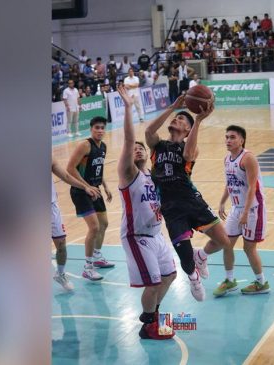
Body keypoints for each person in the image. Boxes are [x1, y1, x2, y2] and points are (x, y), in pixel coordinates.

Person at [144, 95, 231, 302]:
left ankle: (201, 256)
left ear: (187, 130)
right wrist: (172, 107)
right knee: (184, 257)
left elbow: (189, 155)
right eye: (177, 118)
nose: (177, 120)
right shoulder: (157, 145)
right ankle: (194, 278)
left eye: (182, 120)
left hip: (192, 200)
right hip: (170, 207)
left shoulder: (188, 146)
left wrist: (198, 121)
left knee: (223, 241)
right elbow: (149, 131)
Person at [115, 85, 177, 339]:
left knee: (170, 275)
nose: (138, 148)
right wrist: (129, 107)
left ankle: (152, 316)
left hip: (157, 234)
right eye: (135, 148)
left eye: (142, 148)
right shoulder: (128, 174)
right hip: (136, 235)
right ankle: (148, 326)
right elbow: (130, 139)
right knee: (152, 284)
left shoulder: (153, 176)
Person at [214, 125, 270, 296]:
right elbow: (230, 182)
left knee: (248, 248)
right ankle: (230, 280)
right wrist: (223, 202)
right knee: (226, 243)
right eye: (226, 137)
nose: (228, 140)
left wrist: (245, 212)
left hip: (253, 208)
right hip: (235, 208)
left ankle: (261, 283)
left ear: (241, 140)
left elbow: (253, 187)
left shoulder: (248, 158)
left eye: (232, 137)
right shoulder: (227, 159)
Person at [66, 117, 115, 281]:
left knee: (104, 224)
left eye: (102, 128)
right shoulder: (85, 145)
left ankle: (97, 256)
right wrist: (85, 186)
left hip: (95, 189)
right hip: (81, 191)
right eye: (97, 128)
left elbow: (98, 169)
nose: (100, 130)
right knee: (94, 227)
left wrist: (105, 186)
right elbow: (70, 168)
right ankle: (88, 267)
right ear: (91, 129)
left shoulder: (103, 147)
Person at [51, 158, 101, 291]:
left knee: (61, 243)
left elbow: (66, 176)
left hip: (51, 207)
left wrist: (85, 187)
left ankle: (60, 274)